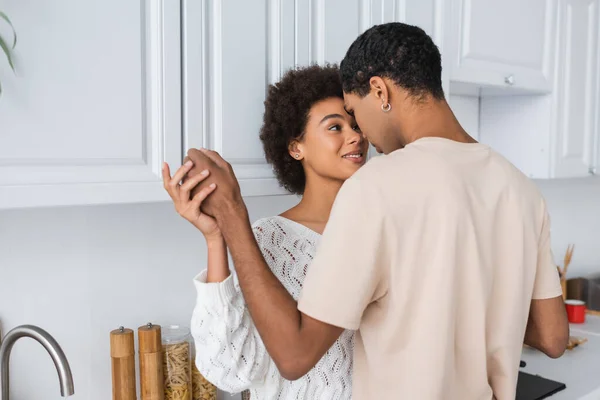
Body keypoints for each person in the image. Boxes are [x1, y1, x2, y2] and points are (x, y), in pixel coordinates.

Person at [184, 22, 569, 400]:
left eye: (355, 111)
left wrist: (233, 214)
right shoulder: (522, 188)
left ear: (379, 91)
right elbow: (552, 338)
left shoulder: (376, 186)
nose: (362, 134)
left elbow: (295, 355)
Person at [162, 65, 368, 399]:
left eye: (357, 124)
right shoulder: (268, 240)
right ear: (295, 148)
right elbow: (231, 370)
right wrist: (217, 238)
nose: (355, 136)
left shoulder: (378, 230)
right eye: (335, 127)